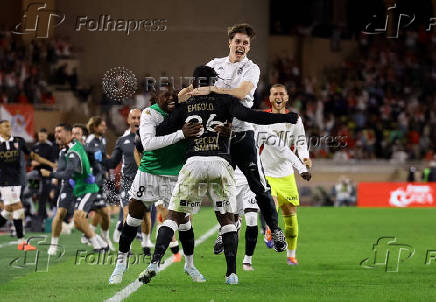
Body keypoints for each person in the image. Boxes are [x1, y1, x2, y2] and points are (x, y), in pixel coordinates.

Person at [138, 66, 299, 286]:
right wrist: (287, 117)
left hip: (193, 163)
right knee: (227, 219)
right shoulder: (225, 101)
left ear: (194, 83)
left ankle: (154, 263)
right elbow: (251, 116)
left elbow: (161, 132)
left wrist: (177, 132)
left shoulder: (185, 106)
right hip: (220, 163)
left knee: (174, 216)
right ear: (214, 82)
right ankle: (231, 274)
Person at [179, 23, 288, 252]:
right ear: (229, 42)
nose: (241, 46)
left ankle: (275, 229)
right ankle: (227, 226)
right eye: (237, 41)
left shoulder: (251, 68)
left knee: (258, 185)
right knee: (221, 188)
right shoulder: (213, 65)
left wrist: (212, 90)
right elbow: (190, 89)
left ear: (249, 47)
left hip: (242, 133)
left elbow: (240, 93)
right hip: (218, 135)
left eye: (245, 43)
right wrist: (182, 96)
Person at [108, 88, 203, 285]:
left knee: (184, 223)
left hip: (176, 175)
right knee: (132, 219)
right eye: (165, 94)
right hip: (148, 174)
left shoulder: (186, 112)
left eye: (173, 94)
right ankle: (121, 263)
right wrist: (181, 134)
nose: (170, 97)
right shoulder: (149, 114)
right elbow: (149, 144)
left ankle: (190, 265)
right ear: (155, 98)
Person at [256, 84, 312, 265]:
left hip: (286, 173)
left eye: (281, 94)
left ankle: (291, 254)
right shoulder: (261, 118)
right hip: (266, 171)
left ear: (286, 98)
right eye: (275, 94)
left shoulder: (295, 119)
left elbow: (301, 142)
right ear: (270, 98)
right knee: (270, 203)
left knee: (291, 217)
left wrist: (304, 158)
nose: (278, 96)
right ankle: (269, 230)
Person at [45, 124, 106, 255]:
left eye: (77, 133)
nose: (75, 135)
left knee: (88, 216)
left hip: (85, 186)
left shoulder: (86, 149)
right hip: (69, 184)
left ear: (83, 136)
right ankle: (54, 245)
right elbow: (63, 170)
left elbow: (97, 165)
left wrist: (97, 177)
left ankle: (97, 241)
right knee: (61, 213)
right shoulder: (64, 151)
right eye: (73, 133)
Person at [103, 109, 154, 252]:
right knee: (127, 213)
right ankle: (128, 246)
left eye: (139, 118)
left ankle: (145, 242)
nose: (137, 121)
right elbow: (113, 162)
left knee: (145, 216)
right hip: (127, 182)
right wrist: (100, 158)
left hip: (145, 180)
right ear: (128, 120)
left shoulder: (149, 138)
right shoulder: (122, 141)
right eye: (134, 118)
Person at [0, 120, 56, 250]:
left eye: (9, 125)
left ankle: (21, 241)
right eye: (5, 126)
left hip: (18, 180)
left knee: (8, 212)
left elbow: (33, 156)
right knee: (18, 206)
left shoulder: (19, 141)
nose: (9, 128)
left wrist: (51, 164)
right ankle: (22, 242)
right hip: (4, 181)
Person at [85, 116, 114, 251]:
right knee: (103, 211)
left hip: (101, 178)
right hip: (92, 180)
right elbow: (88, 157)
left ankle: (94, 235)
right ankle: (99, 238)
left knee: (100, 211)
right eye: (102, 125)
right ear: (95, 127)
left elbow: (101, 156)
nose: (105, 128)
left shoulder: (103, 139)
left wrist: (106, 168)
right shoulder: (90, 140)